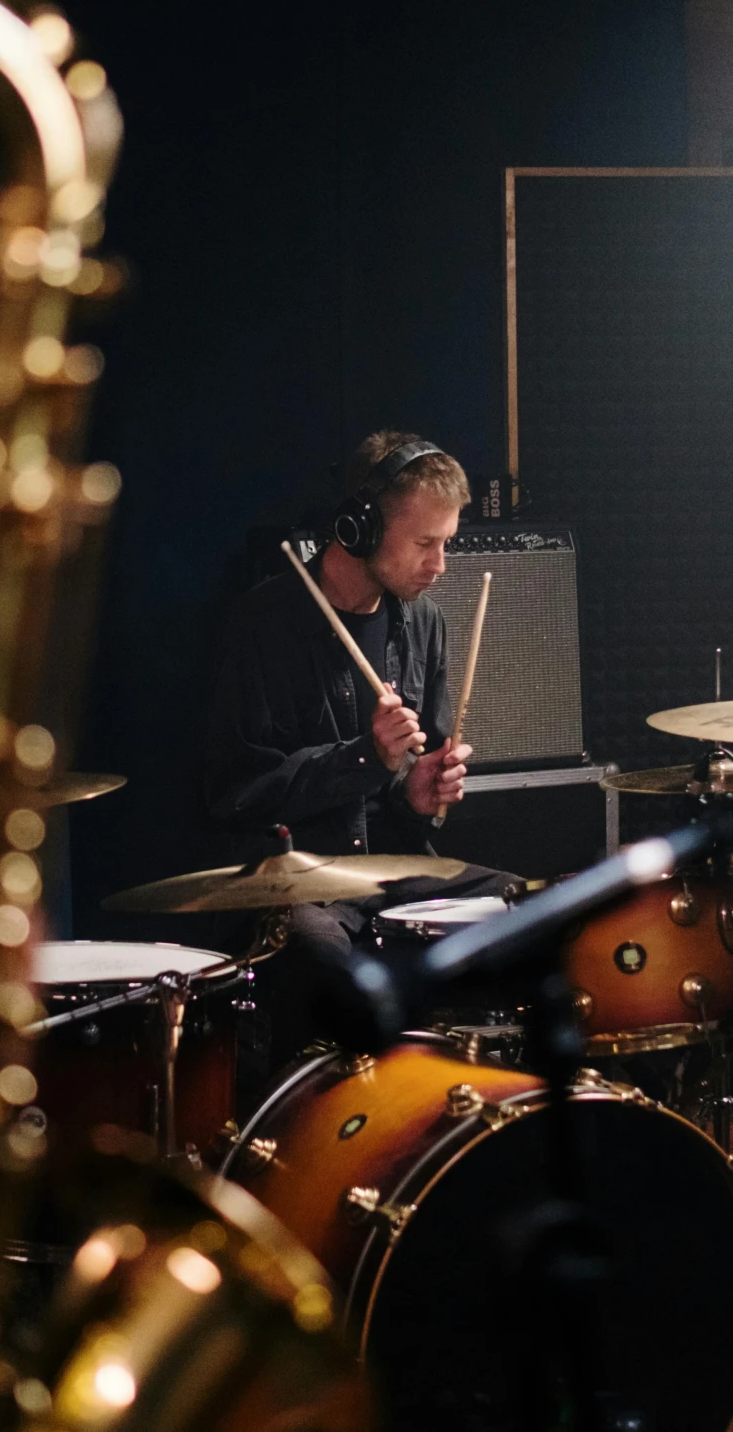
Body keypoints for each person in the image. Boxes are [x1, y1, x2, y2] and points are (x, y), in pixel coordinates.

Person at [203, 430, 487, 1072]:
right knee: (324, 957)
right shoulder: (260, 626)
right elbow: (236, 792)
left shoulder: (424, 623)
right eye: (424, 544)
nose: (439, 565)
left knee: (516, 909)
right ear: (358, 528)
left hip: (391, 871)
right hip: (293, 886)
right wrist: (364, 757)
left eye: (447, 543)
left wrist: (420, 795)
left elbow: (415, 788)